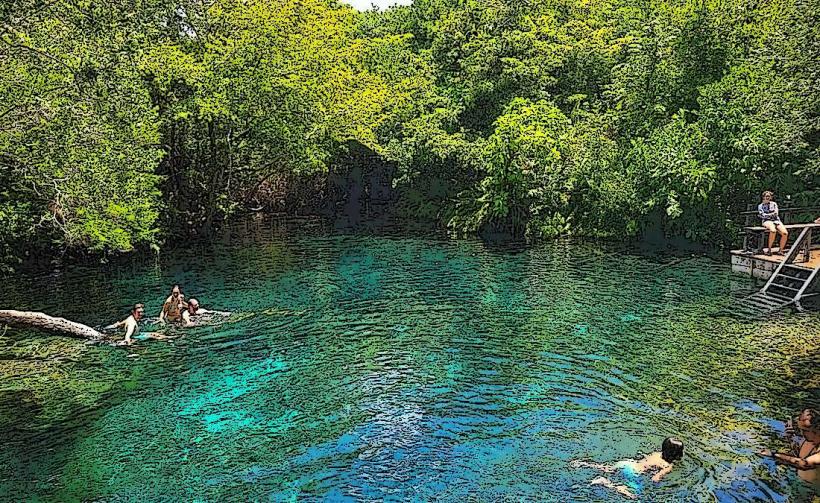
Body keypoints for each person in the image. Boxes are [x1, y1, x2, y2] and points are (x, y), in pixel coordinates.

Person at [570, 437, 684, 500]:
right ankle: (606, 483)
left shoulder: (656, 453)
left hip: (627, 464)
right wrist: (656, 488)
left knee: (607, 468)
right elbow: (655, 479)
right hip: (633, 473)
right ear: (677, 454)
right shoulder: (668, 466)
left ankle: (584, 464)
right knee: (634, 497)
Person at [757, 408, 820, 485]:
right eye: (801, 430)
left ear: (817, 429)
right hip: (800, 484)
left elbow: (804, 464)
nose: (802, 433)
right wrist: (790, 438)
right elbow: (798, 455)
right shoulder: (808, 440)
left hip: (813, 492)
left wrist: (774, 455)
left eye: (805, 431)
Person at [758, 191, 789, 256]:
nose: (767, 198)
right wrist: (770, 215)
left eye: (769, 196)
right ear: (763, 197)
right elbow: (762, 215)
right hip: (767, 221)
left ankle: (780, 250)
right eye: (766, 196)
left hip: (776, 220)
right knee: (773, 231)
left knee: (785, 233)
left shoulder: (774, 204)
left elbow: (776, 213)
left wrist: (768, 214)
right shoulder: (760, 206)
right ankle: (769, 250)